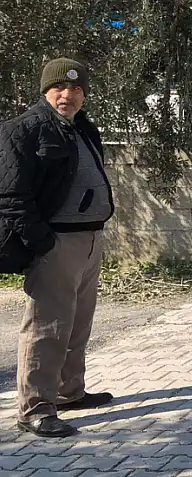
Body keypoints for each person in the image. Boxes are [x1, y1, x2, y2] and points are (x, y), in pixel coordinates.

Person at [0, 58, 116, 437]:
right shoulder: (24, 130)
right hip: (57, 242)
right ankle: (35, 407)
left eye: (77, 89)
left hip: (89, 239)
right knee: (47, 326)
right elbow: (11, 195)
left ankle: (69, 392)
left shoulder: (82, 128)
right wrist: (42, 242)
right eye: (60, 89)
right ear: (46, 90)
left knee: (78, 323)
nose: (69, 95)